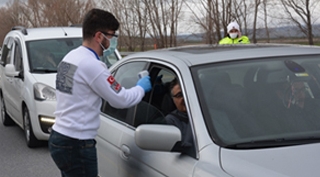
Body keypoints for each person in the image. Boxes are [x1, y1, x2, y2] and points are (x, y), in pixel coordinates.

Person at [48, 8, 152, 177]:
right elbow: (121, 99)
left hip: (60, 137)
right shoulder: (92, 66)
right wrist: (141, 88)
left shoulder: (70, 58)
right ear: (99, 36)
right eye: (111, 36)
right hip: (76, 143)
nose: (112, 42)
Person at [165, 78, 195, 158]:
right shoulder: (170, 121)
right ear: (173, 100)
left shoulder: (214, 115)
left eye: (187, 93)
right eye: (179, 95)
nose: (184, 98)